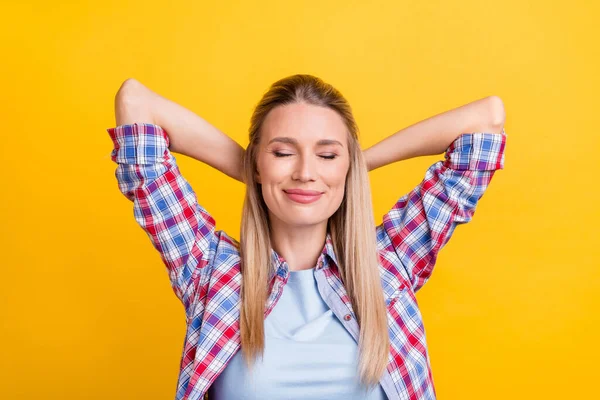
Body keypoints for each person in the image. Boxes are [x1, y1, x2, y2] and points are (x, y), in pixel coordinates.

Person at [106, 74, 506, 400]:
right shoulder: (209, 271)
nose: (305, 172)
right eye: (283, 153)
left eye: (327, 155)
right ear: (258, 161)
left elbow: (487, 119)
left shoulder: (389, 263)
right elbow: (136, 103)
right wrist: (257, 174)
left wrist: (354, 169)